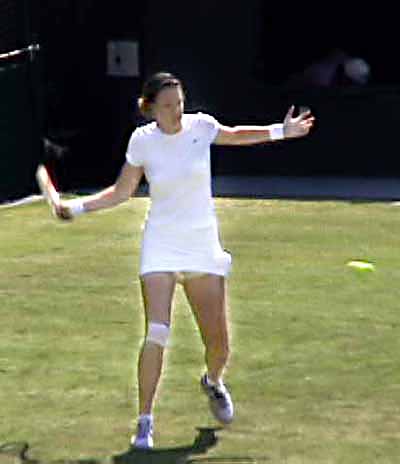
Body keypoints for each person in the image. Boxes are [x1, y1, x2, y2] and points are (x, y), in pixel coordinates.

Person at [55, 71, 315, 449]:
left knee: (219, 345)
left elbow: (236, 134)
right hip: (161, 242)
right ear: (150, 109)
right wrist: (76, 208)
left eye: (179, 102)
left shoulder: (201, 127)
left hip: (200, 243)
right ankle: (144, 422)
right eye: (167, 105)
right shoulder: (142, 141)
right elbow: (122, 191)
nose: (176, 111)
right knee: (157, 331)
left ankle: (213, 380)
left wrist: (281, 131)